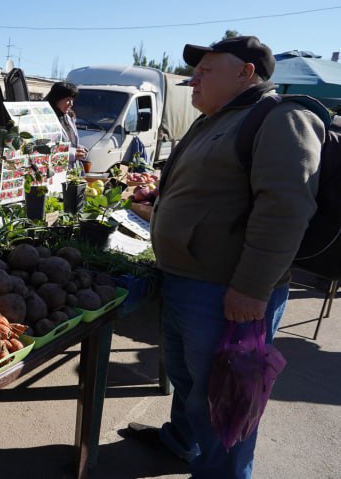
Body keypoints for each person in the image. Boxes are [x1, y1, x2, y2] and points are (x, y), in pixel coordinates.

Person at [125, 36, 324, 479]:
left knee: (225, 398)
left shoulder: (281, 118)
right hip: (185, 281)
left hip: (227, 291)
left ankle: (223, 473)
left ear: (246, 73)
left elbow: (285, 208)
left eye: (206, 70)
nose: (193, 79)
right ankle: (182, 441)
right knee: (189, 382)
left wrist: (252, 288)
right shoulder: (217, 119)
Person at [44, 81, 88, 163]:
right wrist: (72, 153)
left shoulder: (68, 117)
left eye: (72, 100)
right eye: (68, 99)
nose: (71, 104)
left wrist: (79, 148)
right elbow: (47, 148)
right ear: (57, 99)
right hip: (55, 168)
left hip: (70, 168)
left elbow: (70, 142)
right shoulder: (46, 119)